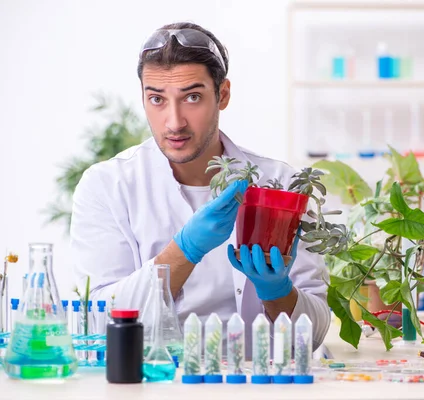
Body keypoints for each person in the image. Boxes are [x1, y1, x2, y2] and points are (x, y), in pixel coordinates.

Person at [70, 22, 330, 352]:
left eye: (192, 97)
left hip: (255, 383)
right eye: (157, 99)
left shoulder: (280, 184)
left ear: (222, 95)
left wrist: (278, 292)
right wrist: (184, 250)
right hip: (156, 382)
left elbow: (316, 335)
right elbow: (99, 322)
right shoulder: (107, 186)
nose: (174, 121)